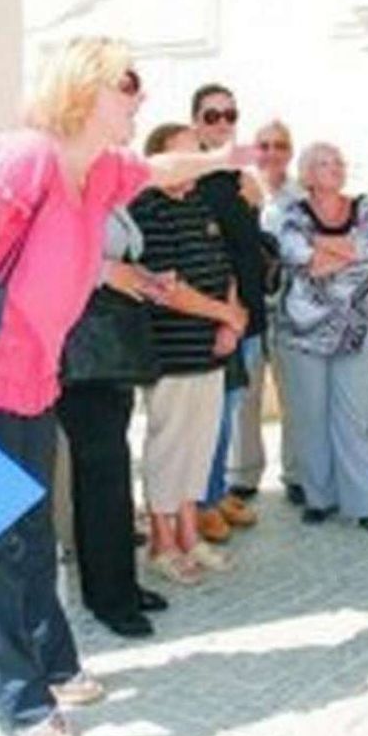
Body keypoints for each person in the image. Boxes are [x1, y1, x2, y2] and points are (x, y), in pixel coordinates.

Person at [0, 37, 252, 736]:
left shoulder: (94, 173)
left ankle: (54, 660)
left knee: (34, 536)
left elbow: (162, 165)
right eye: (127, 83)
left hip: (40, 380)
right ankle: (18, 700)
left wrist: (225, 158)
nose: (139, 96)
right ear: (83, 88)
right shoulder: (25, 157)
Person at [130, 123, 249, 584]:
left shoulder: (200, 202)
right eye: (186, 155)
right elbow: (166, 288)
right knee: (169, 447)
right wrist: (227, 314)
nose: (197, 162)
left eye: (200, 153)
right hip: (171, 351)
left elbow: (224, 265)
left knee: (199, 448)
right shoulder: (146, 206)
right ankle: (162, 541)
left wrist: (228, 320)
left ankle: (188, 530)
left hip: (212, 347)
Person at [275, 142, 368, 538]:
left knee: (355, 418)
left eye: (338, 162)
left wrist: (321, 247)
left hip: (357, 328)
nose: (334, 169)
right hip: (302, 331)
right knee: (310, 417)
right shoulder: (293, 212)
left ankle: (365, 505)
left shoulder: (364, 206)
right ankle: (320, 498)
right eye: (324, 164)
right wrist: (343, 253)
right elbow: (297, 257)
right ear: (308, 174)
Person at [55, 208, 170, 639]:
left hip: (111, 348)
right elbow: (51, 264)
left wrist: (144, 279)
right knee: (100, 474)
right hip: (82, 352)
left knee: (113, 472)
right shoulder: (65, 192)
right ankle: (108, 598)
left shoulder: (109, 198)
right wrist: (105, 271)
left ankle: (121, 584)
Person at [192, 83, 264, 538]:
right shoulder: (195, 176)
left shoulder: (240, 176)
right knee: (210, 415)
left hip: (250, 312)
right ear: (197, 121)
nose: (222, 123)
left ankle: (216, 491)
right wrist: (226, 312)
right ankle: (201, 501)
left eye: (229, 114)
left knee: (232, 406)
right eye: (211, 115)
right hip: (218, 312)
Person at [255, 119, 307, 504]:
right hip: (251, 304)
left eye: (279, 145)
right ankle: (242, 475)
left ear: (289, 151)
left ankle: (297, 472)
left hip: (293, 303)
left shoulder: (302, 197)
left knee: (296, 394)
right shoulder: (241, 190)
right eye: (264, 145)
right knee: (246, 395)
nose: (271, 152)